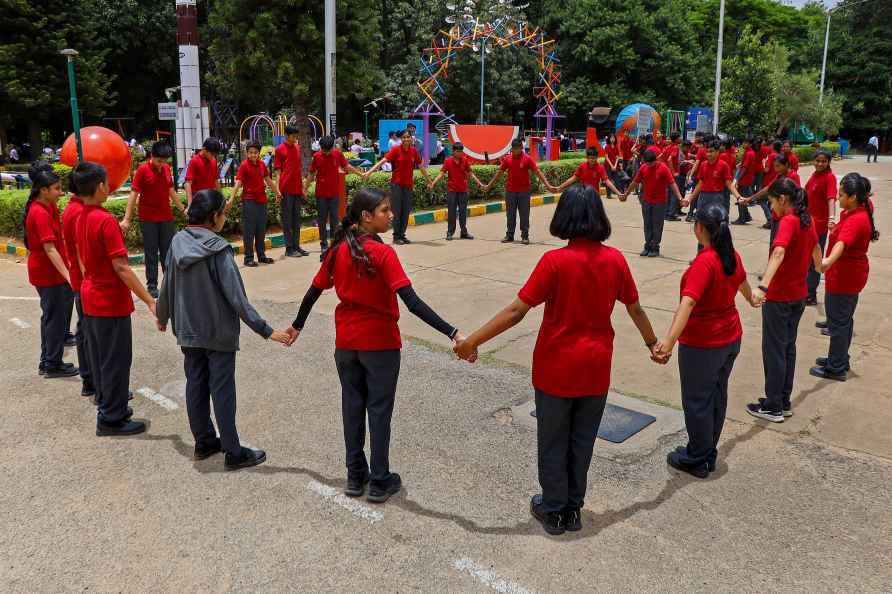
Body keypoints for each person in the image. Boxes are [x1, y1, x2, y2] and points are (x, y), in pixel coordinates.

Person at [454, 185, 660, 535]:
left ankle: (553, 508)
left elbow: (518, 309)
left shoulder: (555, 262)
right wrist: (652, 343)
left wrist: (472, 340)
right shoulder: (615, 261)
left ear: (564, 216)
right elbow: (635, 307)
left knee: (553, 439)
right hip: (595, 367)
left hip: (556, 367)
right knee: (582, 440)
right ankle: (573, 508)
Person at [283, 187, 462, 503]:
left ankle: (355, 476)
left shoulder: (338, 250)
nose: (391, 215)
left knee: (352, 408)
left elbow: (313, 291)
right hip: (379, 345)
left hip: (347, 345)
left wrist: (297, 325)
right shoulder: (382, 253)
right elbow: (412, 302)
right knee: (378, 412)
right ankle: (379, 480)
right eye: (384, 210)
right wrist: (453, 333)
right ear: (366, 217)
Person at [156, 189, 290, 470]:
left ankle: (204, 441)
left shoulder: (177, 242)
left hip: (189, 331)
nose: (224, 217)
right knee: (222, 390)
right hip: (218, 333)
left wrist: (163, 315)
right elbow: (237, 299)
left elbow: (167, 284)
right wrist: (266, 330)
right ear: (214, 217)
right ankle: (232, 451)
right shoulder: (218, 249)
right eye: (224, 213)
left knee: (196, 384)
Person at [653, 203, 754, 478]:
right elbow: (744, 284)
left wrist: (668, 342)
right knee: (717, 395)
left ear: (700, 228)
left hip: (704, 344)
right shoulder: (730, 255)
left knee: (697, 400)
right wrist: (753, 298)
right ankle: (707, 450)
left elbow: (687, 304)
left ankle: (697, 457)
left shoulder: (705, 262)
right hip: (730, 337)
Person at [73, 162, 155, 436]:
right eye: (107, 183)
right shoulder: (105, 220)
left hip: (91, 295)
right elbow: (121, 267)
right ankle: (112, 418)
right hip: (109, 300)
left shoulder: (80, 214)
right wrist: (149, 300)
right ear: (99, 187)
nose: (109, 187)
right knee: (117, 360)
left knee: (102, 358)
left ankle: (110, 406)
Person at [745, 178, 821, 423]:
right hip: (798, 296)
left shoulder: (788, 221)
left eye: (771, 202)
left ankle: (773, 405)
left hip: (779, 297)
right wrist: (821, 267)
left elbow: (778, 251)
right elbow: (817, 253)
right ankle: (783, 400)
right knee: (788, 348)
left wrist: (763, 285)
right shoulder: (807, 221)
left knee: (774, 350)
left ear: (782, 199)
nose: (771, 207)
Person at [809, 173, 879, 381]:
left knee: (838, 323)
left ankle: (836, 367)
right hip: (851, 275)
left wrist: (826, 262)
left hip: (844, 277)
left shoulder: (856, 220)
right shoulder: (861, 209)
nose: (838, 198)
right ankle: (839, 357)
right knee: (844, 320)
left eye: (841, 195)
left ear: (853, 197)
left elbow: (842, 244)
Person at [23, 163, 77, 379]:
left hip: (53, 272)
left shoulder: (49, 205)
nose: (61, 192)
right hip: (48, 274)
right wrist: (68, 275)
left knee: (53, 318)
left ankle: (48, 361)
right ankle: (52, 363)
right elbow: (50, 249)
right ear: (43, 190)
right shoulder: (39, 212)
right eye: (56, 188)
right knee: (54, 319)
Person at [120, 143, 185, 298]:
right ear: (152, 156)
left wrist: (183, 209)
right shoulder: (142, 171)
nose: (162, 164)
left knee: (168, 252)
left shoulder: (166, 169)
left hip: (166, 217)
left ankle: (170, 283)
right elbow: (133, 195)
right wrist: (127, 219)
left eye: (164, 161)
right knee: (151, 252)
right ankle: (152, 285)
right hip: (148, 219)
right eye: (159, 161)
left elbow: (171, 191)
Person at [61, 172, 95, 398]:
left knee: (85, 330)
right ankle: (93, 381)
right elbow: (82, 254)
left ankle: (90, 380)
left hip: (81, 281)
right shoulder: (79, 212)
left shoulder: (73, 209)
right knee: (91, 333)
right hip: (86, 282)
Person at [364, 129, 431, 245]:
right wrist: (369, 172)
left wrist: (429, 180)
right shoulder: (396, 150)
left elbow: (421, 167)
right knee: (397, 211)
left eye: (408, 137)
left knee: (406, 211)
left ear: (411, 138)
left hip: (408, 186)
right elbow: (383, 161)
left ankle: (402, 235)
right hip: (397, 185)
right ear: (401, 139)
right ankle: (396, 236)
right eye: (403, 137)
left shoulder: (413, 151)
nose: (406, 139)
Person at [483, 139, 555, 245]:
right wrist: (489, 185)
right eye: (514, 149)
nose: (515, 151)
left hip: (524, 192)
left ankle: (525, 236)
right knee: (510, 215)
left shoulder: (527, 159)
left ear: (521, 148)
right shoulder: (507, 159)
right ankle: (510, 235)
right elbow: (499, 173)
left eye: (517, 148)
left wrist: (548, 185)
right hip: (510, 192)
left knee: (524, 214)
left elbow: (537, 172)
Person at [305, 135, 366, 260]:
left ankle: (334, 243)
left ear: (331, 148)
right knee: (322, 220)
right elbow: (311, 173)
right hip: (321, 194)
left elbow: (347, 167)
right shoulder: (316, 157)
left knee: (334, 220)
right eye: (323, 150)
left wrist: (360, 174)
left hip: (334, 194)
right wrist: (305, 188)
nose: (325, 152)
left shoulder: (337, 155)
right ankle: (323, 245)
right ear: (320, 147)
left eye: (327, 150)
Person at [622, 149, 684, 257]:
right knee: (647, 224)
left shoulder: (663, 168)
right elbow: (635, 182)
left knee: (657, 225)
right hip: (646, 201)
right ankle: (647, 246)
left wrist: (680, 198)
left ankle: (655, 247)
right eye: (647, 163)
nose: (650, 165)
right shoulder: (643, 168)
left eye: (652, 163)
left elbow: (672, 183)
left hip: (660, 202)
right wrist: (626, 194)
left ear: (656, 160)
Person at [231, 141, 279, 267]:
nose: (253, 155)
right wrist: (231, 198)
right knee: (249, 230)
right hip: (249, 200)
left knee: (261, 230)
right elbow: (238, 183)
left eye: (255, 153)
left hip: (262, 200)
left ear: (259, 153)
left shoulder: (262, 165)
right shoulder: (244, 166)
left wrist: (278, 193)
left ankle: (262, 255)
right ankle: (248, 258)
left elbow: (268, 180)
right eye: (250, 153)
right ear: (247, 153)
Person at [427, 142, 484, 240]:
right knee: (452, 212)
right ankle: (450, 232)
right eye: (458, 151)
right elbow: (441, 174)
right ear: (453, 151)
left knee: (463, 212)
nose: (460, 153)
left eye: (461, 151)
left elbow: (471, 174)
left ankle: (464, 232)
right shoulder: (448, 161)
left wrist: (480, 184)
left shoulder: (465, 161)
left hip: (463, 190)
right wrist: (433, 183)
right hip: (452, 190)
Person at [804, 149, 837, 306]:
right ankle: (806, 290)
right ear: (813, 161)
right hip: (808, 225)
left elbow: (831, 199)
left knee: (815, 260)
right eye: (818, 160)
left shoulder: (829, 178)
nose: (820, 163)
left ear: (828, 162)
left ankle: (811, 294)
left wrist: (831, 218)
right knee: (806, 259)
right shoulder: (813, 177)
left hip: (820, 227)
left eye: (824, 161)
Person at [273, 125, 309, 258]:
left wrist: (302, 188)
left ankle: (296, 246)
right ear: (287, 136)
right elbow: (278, 172)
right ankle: (289, 248)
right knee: (287, 221)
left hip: (296, 189)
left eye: (296, 136)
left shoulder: (297, 148)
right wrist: (277, 191)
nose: (295, 138)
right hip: (285, 189)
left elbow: (298, 170)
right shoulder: (279, 150)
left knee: (296, 220)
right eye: (293, 136)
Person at [685, 141, 742, 221]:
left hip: (717, 197)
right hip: (703, 197)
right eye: (707, 152)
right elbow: (700, 184)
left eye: (711, 151)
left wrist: (738, 197)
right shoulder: (703, 165)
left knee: (714, 223)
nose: (708, 154)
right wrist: (689, 199)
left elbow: (729, 184)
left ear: (717, 152)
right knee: (701, 223)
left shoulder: (723, 165)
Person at [555, 147, 622, 197]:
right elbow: (573, 179)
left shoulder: (600, 168)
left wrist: (618, 193)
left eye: (594, 158)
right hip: (583, 195)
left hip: (595, 196)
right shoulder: (582, 166)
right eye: (590, 158)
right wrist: (560, 187)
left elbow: (608, 182)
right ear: (587, 157)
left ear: (597, 157)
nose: (592, 160)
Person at [185, 138, 222, 207]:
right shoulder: (194, 161)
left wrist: (221, 199)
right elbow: (187, 183)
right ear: (204, 149)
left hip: (210, 198)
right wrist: (190, 204)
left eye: (215, 154)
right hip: (197, 199)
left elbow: (216, 181)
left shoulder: (213, 161)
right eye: (212, 154)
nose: (213, 156)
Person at [732, 138, 757, 225]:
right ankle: (746, 216)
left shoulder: (749, 153)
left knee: (741, 198)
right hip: (748, 178)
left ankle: (742, 218)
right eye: (743, 142)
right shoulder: (751, 152)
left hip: (745, 179)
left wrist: (738, 178)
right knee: (744, 197)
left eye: (746, 142)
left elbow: (744, 168)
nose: (744, 144)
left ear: (750, 144)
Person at [661, 132, 683, 219]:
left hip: (666, 173)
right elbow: (670, 159)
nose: (681, 138)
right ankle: (671, 214)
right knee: (674, 194)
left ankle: (666, 212)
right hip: (672, 174)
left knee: (668, 193)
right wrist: (673, 172)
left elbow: (660, 157)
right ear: (676, 139)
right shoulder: (675, 147)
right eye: (679, 137)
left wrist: (664, 167)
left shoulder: (667, 147)